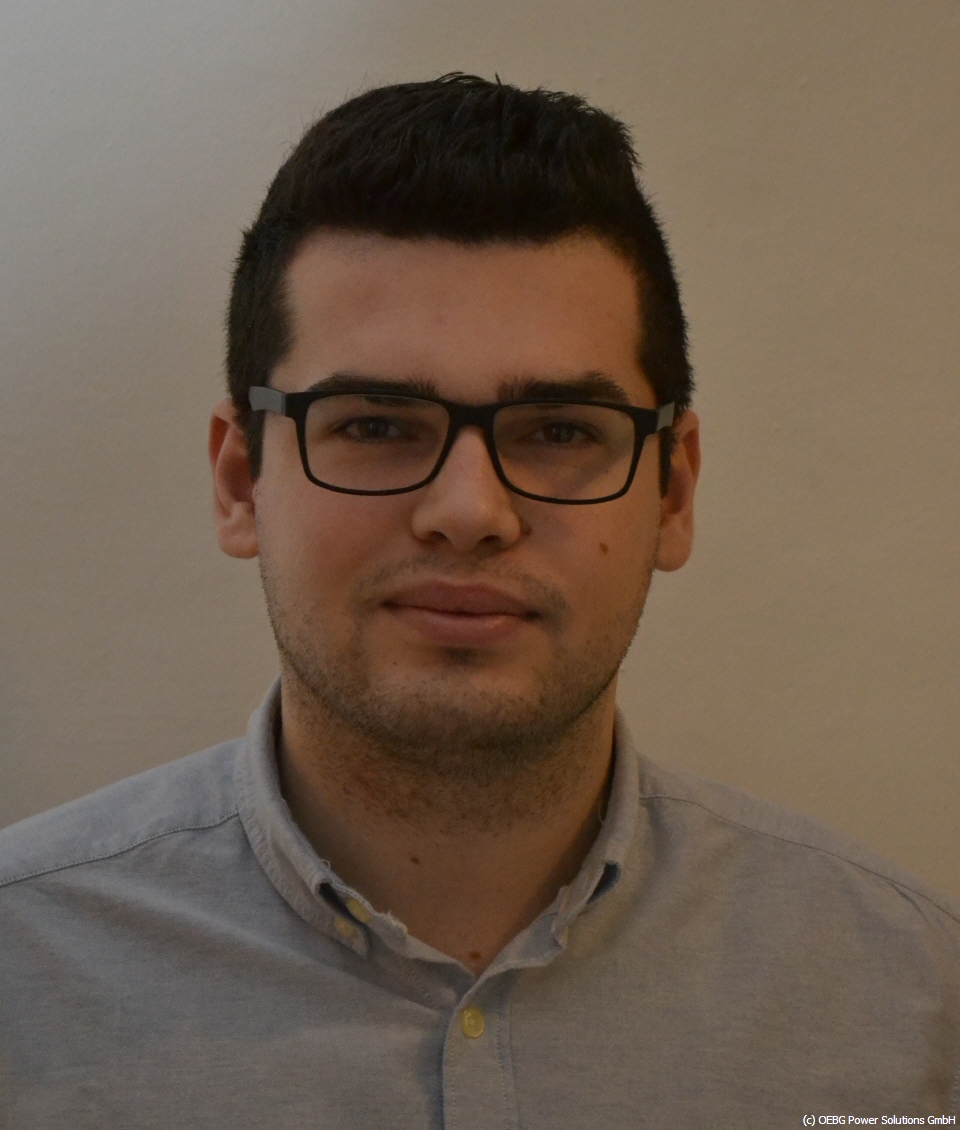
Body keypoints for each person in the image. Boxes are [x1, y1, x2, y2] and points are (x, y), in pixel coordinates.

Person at [1, 74, 957, 1128]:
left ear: (673, 493)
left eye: (560, 430)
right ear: (240, 481)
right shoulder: (22, 974)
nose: (469, 512)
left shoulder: (913, 1001)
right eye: (375, 424)